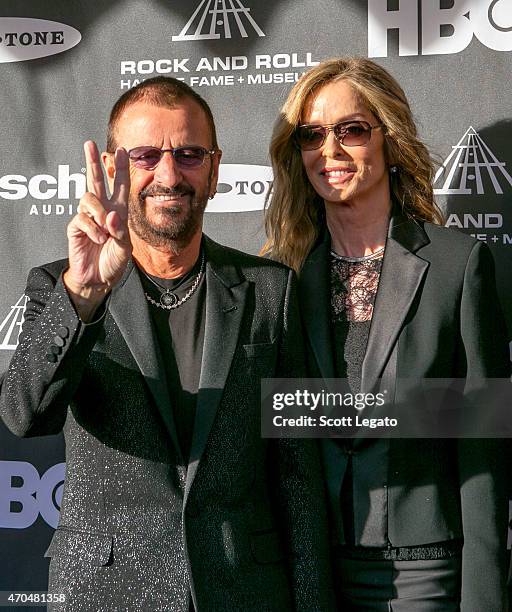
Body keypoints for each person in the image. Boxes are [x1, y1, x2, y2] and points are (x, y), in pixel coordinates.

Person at [0, 77, 333, 611]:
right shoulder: (61, 285)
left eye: (189, 154)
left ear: (216, 168)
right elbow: (25, 415)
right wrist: (84, 295)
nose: (169, 174)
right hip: (106, 594)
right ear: (113, 169)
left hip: (244, 592)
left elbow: (295, 473)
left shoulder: (270, 291)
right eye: (145, 156)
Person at [262, 57, 510, 611]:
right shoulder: (281, 280)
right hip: (310, 569)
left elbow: (484, 453)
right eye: (312, 135)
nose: (330, 151)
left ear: (389, 140)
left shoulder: (457, 266)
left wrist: (486, 597)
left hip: (423, 572)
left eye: (351, 129)